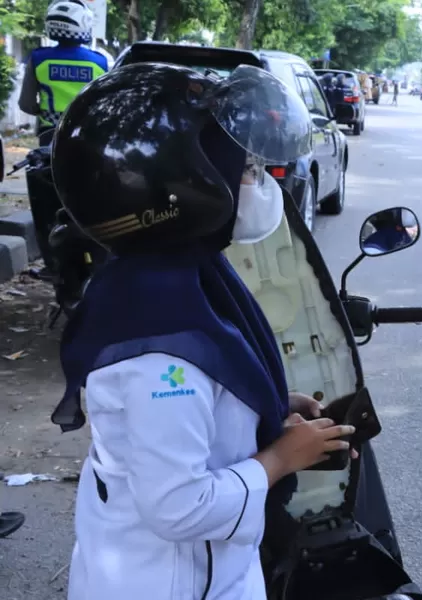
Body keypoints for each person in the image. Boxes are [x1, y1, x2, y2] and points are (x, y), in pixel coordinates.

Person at [48, 62, 356, 599]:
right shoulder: (158, 348)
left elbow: (188, 412)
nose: (255, 181)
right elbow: (179, 506)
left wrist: (267, 409)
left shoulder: (161, 281)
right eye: (242, 169)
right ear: (186, 189)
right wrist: (281, 459)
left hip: (199, 569)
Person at [18, 0, 108, 146]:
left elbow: (26, 104)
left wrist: (44, 113)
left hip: (50, 134)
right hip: (85, 133)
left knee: (47, 168)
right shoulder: (99, 62)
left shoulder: (38, 58)